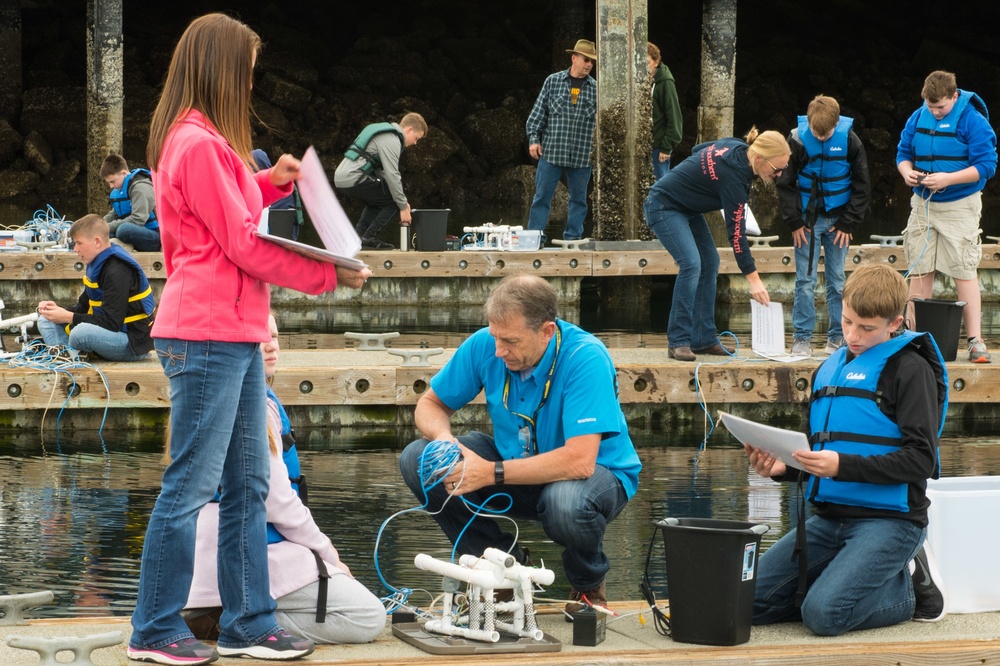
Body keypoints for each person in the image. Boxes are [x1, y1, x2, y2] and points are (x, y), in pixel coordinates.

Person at [128, 13, 371, 666]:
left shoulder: (198, 139)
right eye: (248, 71)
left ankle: (248, 621)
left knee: (246, 485)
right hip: (206, 335)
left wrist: (271, 182)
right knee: (191, 486)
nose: (252, 83)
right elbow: (241, 244)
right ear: (223, 70)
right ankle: (152, 629)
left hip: (226, 333)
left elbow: (217, 216)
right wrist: (329, 275)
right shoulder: (201, 142)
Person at [398, 275, 641, 614]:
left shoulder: (586, 358)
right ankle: (501, 567)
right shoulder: (488, 344)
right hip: (514, 471)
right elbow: (430, 404)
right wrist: (444, 441)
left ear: (546, 330)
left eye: (509, 341)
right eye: (495, 337)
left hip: (593, 479)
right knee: (421, 459)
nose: (498, 351)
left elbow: (580, 461)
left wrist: (490, 473)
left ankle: (587, 585)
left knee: (565, 504)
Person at [746, 263, 949, 636]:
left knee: (823, 615)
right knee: (742, 602)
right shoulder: (830, 368)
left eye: (867, 328)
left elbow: (922, 459)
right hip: (828, 520)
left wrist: (841, 466)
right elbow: (821, 450)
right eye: (847, 321)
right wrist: (784, 468)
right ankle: (843, 576)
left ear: (895, 323)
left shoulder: (910, 369)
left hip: (891, 523)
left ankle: (910, 585)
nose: (852, 336)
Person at [183, 313, 386, 645]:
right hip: (252, 552)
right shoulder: (256, 409)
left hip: (204, 556)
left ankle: (223, 613)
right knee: (367, 617)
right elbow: (276, 500)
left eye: (274, 337)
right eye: (258, 339)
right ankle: (233, 620)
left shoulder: (200, 397)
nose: (270, 347)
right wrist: (329, 555)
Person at [644, 127, 787, 361]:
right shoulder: (735, 180)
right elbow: (737, 236)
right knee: (691, 264)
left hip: (687, 207)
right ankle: (678, 340)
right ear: (760, 158)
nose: (780, 174)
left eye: (784, 168)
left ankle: (703, 339)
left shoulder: (737, 145)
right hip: (662, 205)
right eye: (777, 169)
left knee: (710, 261)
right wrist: (754, 280)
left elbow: (698, 149)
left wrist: (703, 180)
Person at [896, 70, 997, 363]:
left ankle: (975, 340)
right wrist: (906, 172)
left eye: (940, 107)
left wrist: (947, 179)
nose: (935, 112)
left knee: (963, 270)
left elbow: (987, 165)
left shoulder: (973, 121)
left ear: (954, 96)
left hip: (959, 205)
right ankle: (911, 336)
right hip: (923, 204)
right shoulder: (918, 117)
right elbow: (903, 152)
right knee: (919, 268)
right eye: (931, 107)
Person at [777, 95, 871, 357]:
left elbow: (863, 186)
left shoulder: (851, 141)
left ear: (837, 123)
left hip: (839, 221)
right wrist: (794, 221)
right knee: (804, 280)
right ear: (808, 123)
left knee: (838, 281)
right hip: (806, 222)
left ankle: (837, 337)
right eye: (816, 134)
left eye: (826, 134)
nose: (820, 138)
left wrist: (848, 222)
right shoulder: (796, 140)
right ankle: (802, 338)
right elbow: (784, 184)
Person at [36, 214, 154, 362]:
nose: (75, 249)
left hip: (131, 343)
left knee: (80, 333)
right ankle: (65, 356)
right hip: (109, 333)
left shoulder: (117, 271)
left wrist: (67, 317)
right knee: (46, 320)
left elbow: (111, 322)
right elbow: (83, 306)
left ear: (97, 242)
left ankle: (70, 354)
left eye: (79, 243)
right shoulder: (98, 264)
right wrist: (58, 311)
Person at [525, 39, 598, 242]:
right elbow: (537, 114)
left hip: (582, 155)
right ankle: (534, 238)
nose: (589, 64)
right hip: (552, 151)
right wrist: (533, 139)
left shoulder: (596, 88)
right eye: (585, 59)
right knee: (541, 198)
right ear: (573, 58)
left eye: (592, 61)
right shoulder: (553, 81)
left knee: (579, 200)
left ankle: (573, 239)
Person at [334, 113, 427, 250]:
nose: (415, 143)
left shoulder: (385, 134)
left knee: (381, 199)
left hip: (342, 177)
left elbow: (381, 171)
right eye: (416, 138)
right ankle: (369, 237)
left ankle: (359, 238)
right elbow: (392, 175)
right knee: (392, 200)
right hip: (353, 178)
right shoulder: (392, 140)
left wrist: (402, 199)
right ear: (409, 130)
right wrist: (402, 205)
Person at [100, 152, 162, 252]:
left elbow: (138, 219)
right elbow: (113, 214)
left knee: (123, 230)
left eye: (112, 181)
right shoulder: (120, 190)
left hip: (154, 236)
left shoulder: (140, 188)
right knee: (99, 233)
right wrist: (98, 225)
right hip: (135, 232)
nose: (111, 186)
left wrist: (107, 227)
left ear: (124, 173)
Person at [647, 42, 683, 181]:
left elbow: (674, 116)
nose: (643, 67)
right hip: (644, 143)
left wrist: (666, 147)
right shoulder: (642, 80)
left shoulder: (665, 83)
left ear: (656, 62)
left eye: (647, 62)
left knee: (661, 186)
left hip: (659, 146)